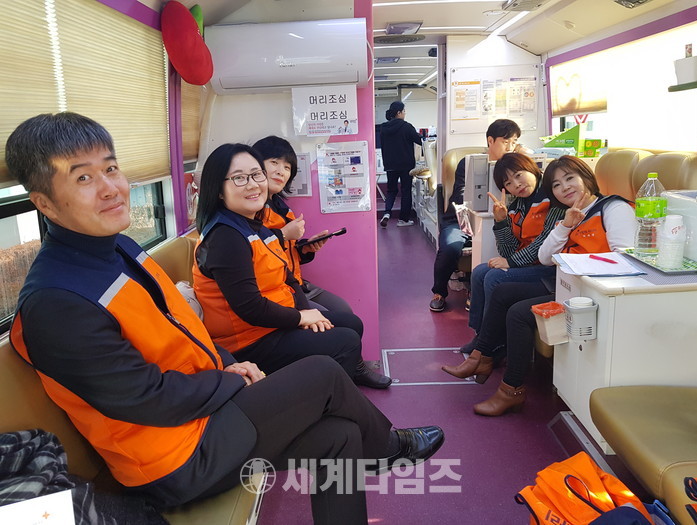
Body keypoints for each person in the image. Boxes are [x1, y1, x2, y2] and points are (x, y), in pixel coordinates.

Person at [6, 112, 444, 523]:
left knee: (340, 435)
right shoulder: (55, 302)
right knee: (323, 373)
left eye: (111, 168)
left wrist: (227, 362)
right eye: (83, 177)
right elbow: (145, 399)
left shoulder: (119, 248)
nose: (110, 188)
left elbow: (182, 327)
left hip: (203, 418)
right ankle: (388, 447)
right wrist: (230, 379)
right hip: (172, 461)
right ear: (45, 203)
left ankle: (374, 452)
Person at [441, 155, 635, 416]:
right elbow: (544, 255)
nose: (564, 188)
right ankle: (482, 355)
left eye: (570, 179)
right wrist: (508, 222)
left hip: (591, 291)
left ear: (587, 177)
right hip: (568, 284)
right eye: (557, 185)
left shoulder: (612, 208)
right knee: (499, 288)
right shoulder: (563, 213)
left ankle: (508, 387)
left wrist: (571, 262)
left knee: (516, 310)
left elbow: (625, 259)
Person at [193, 143, 392, 389]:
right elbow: (250, 308)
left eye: (256, 175)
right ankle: (332, 395)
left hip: (270, 324)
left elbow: (286, 276)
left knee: (352, 323)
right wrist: (300, 317)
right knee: (346, 340)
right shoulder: (225, 238)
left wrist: (306, 313)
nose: (253, 184)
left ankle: (351, 374)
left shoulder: (252, 224)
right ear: (219, 190)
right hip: (249, 341)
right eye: (239, 178)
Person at [457, 152, 565, 353]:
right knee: (480, 272)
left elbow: (545, 242)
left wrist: (511, 262)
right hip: (530, 266)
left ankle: (493, 342)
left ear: (532, 168)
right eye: (508, 183)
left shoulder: (552, 198)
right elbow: (508, 250)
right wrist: (501, 222)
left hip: (550, 268)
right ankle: (481, 335)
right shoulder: (516, 205)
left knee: (494, 277)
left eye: (518, 175)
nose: (516, 184)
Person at [429, 119, 524, 313]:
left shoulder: (515, 167)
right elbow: (460, 195)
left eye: (514, 142)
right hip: (461, 220)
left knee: (505, 245)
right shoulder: (469, 163)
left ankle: (477, 290)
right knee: (450, 247)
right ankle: (439, 292)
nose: (510, 147)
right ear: (491, 140)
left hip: (499, 219)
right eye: (506, 141)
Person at [252, 135, 353, 313]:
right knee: (340, 319)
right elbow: (252, 250)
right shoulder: (251, 207)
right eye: (274, 162)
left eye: (287, 167)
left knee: (343, 310)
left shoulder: (281, 207)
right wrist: (283, 234)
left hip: (296, 283)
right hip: (274, 291)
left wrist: (304, 249)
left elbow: (283, 253)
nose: (281, 171)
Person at [379, 101, 422, 228]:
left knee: (391, 190)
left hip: (390, 165)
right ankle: (403, 220)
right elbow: (419, 141)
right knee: (405, 191)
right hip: (406, 166)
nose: (405, 113)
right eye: (404, 111)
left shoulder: (383, 128)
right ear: (399, 112)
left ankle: (387, 213)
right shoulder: (406, 127)